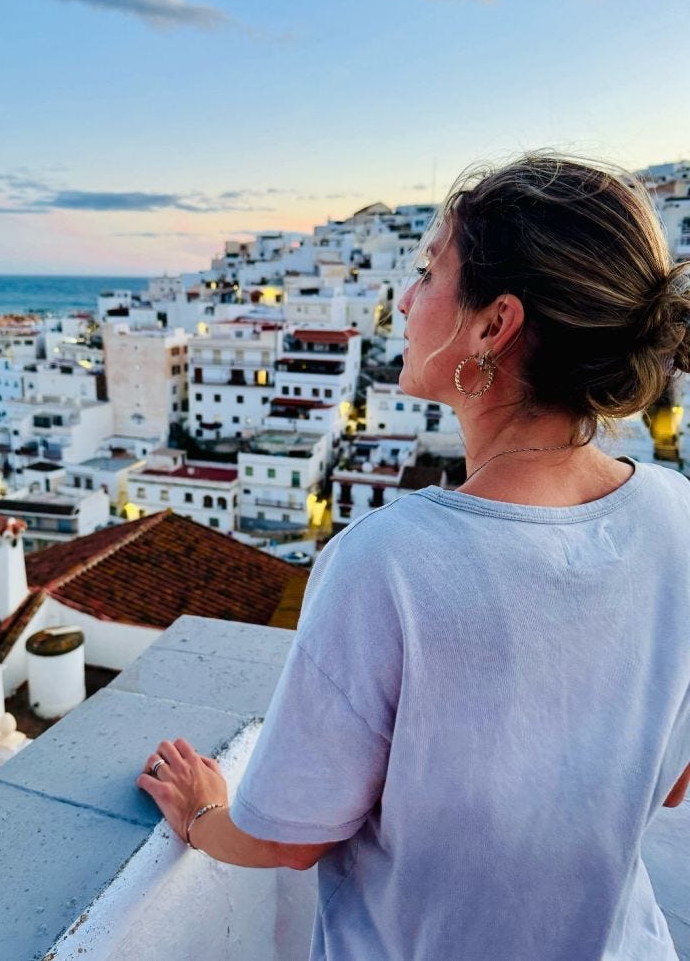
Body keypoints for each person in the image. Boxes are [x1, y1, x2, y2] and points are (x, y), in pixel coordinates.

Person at [137, 154, 690, 960]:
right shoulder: (678, 513)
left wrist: (200, 814)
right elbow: (673, 782)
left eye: (429, 272)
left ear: (494, 325)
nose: (403, 299)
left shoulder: (389, 562)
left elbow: (286, 838)